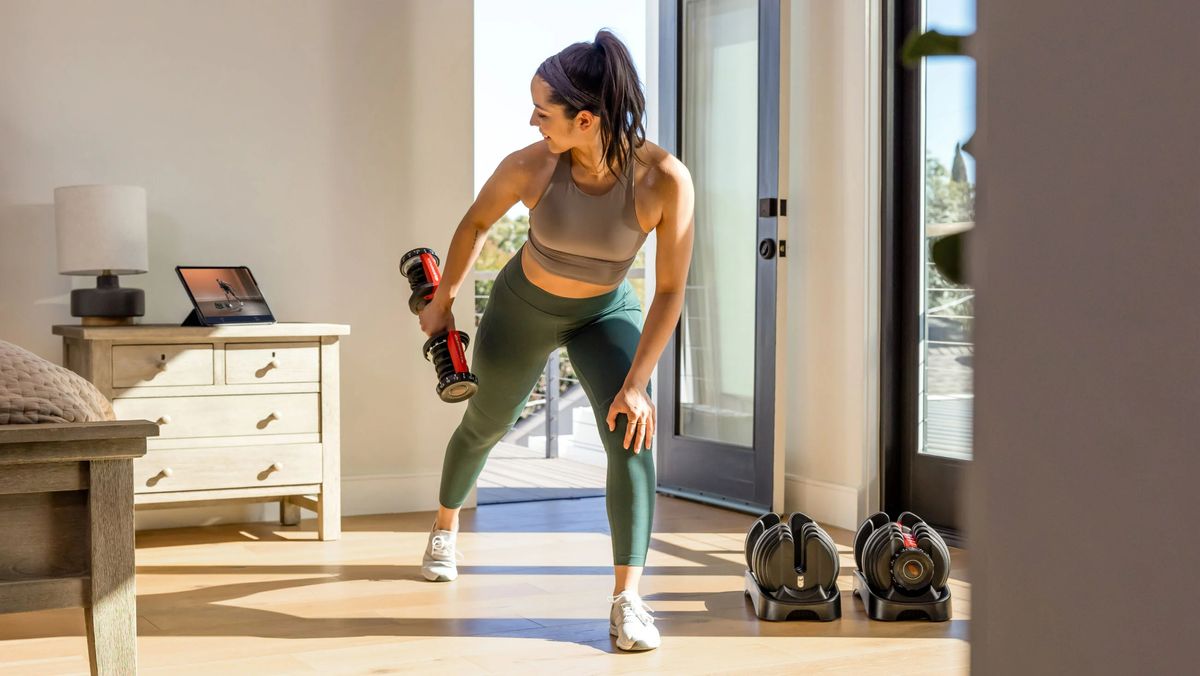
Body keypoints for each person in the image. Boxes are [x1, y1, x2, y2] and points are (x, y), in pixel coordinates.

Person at [417, 29, 694, 652]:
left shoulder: (664, 181)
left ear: (586, 118)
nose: (533, 121)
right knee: (487, 423)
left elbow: (671, 290)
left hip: (606, 312)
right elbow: (475, 224)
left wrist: (638, 386)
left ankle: (628, 600)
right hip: (523, 305)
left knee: (629, 429)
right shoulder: (532, 164)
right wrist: (442, 300)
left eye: (544, 112)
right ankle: (444, 525)